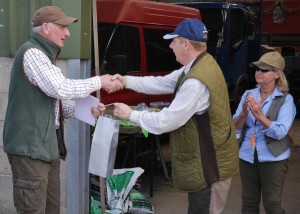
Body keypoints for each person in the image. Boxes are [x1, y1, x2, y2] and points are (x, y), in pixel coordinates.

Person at [2, 6, 122, 213]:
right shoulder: (33, 54)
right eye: (63, 27)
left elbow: (55, 102)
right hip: (31, 152)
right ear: (46, 28)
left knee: (52, 209)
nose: (68, 33)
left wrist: (88, 108)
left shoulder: (46, 57)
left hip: (46, 150)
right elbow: (61, 88)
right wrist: (99, 81)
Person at [112, 18, 239, 214]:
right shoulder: (200, 64)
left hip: (210, 167)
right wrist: (125, 81)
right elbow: (162, 83)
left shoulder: (195, 82)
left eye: (174, 41)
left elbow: (166, 121)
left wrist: (131, 115)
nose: (170, 46)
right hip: (209, 161)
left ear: (186, 44)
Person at [232, 51, 296, 213]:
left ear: (277, 74)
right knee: (249, 204)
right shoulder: (248, 94)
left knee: (272, 204)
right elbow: (236, 127)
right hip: (247, 155)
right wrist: (243, 113)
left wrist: (260, 115)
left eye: (264, 69)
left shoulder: (285, 99)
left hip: (274, 158)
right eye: (257, 69)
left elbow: (280, 132)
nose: (259, 72)